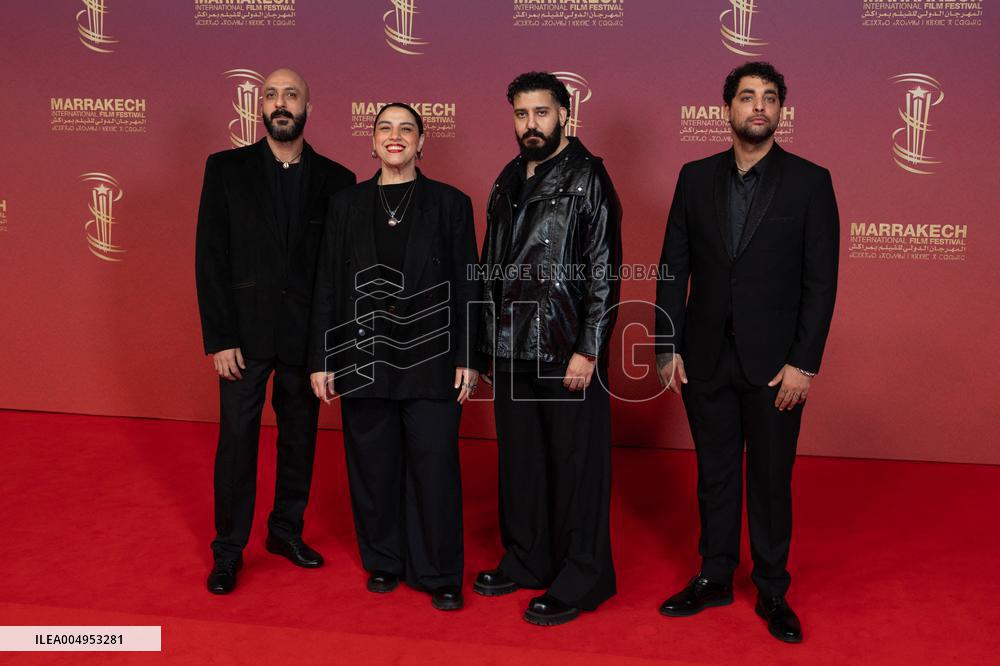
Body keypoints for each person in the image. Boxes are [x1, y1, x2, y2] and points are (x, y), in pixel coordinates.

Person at [654, 62, 839, 643]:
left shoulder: (811, 182)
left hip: (776, 366)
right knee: (714, 475)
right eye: (747, 97)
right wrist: (667, 345)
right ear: (726, 109)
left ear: (781, 110)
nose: (758, 106)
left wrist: (804, 364)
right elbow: (672, 267)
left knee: (769, 478)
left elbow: (821, 282)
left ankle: (773, 588)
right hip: (704, 357)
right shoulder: (693, 177)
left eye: (769, 97)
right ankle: (713, 577)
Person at [308, 103, 483, 612]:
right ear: (372, 141)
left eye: (407, 128)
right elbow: (327, 284)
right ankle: (385, 560)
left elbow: (469, 283)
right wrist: (323, 358)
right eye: (385, 127)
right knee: (372, 466)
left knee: (435, 468)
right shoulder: (345, 205)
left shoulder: (450, 203)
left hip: (432, 357)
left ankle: (439, 571)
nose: (395, 136)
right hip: (362, 356)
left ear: (422, 143)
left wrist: (469, 356)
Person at [195, 68, 355, 594]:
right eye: (271, 95)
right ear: (258, 107)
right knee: (237, 443)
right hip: (241, 339)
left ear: (309, 106)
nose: (280, 103)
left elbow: (337, 273)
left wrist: (327, 349)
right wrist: (219, 338)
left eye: (291, 95)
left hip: (305, 340)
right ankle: (228, 550)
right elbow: (210, 258)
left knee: (300, 441)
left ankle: (285, 531)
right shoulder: (225, 169)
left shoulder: (338, 181)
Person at [474, 72, 622, 626]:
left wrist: (590, 348)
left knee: (576, 467)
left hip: (565, 348)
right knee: (522, 462)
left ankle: (582, 576)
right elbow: (490, 265)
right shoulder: (507, 177)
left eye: (540, 112)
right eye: (520, 114)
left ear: (564, 113)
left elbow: (605, 270)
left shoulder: (589, 177)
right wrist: (487, 343)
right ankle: (527, 558)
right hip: (511, 346)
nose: (529, 124)